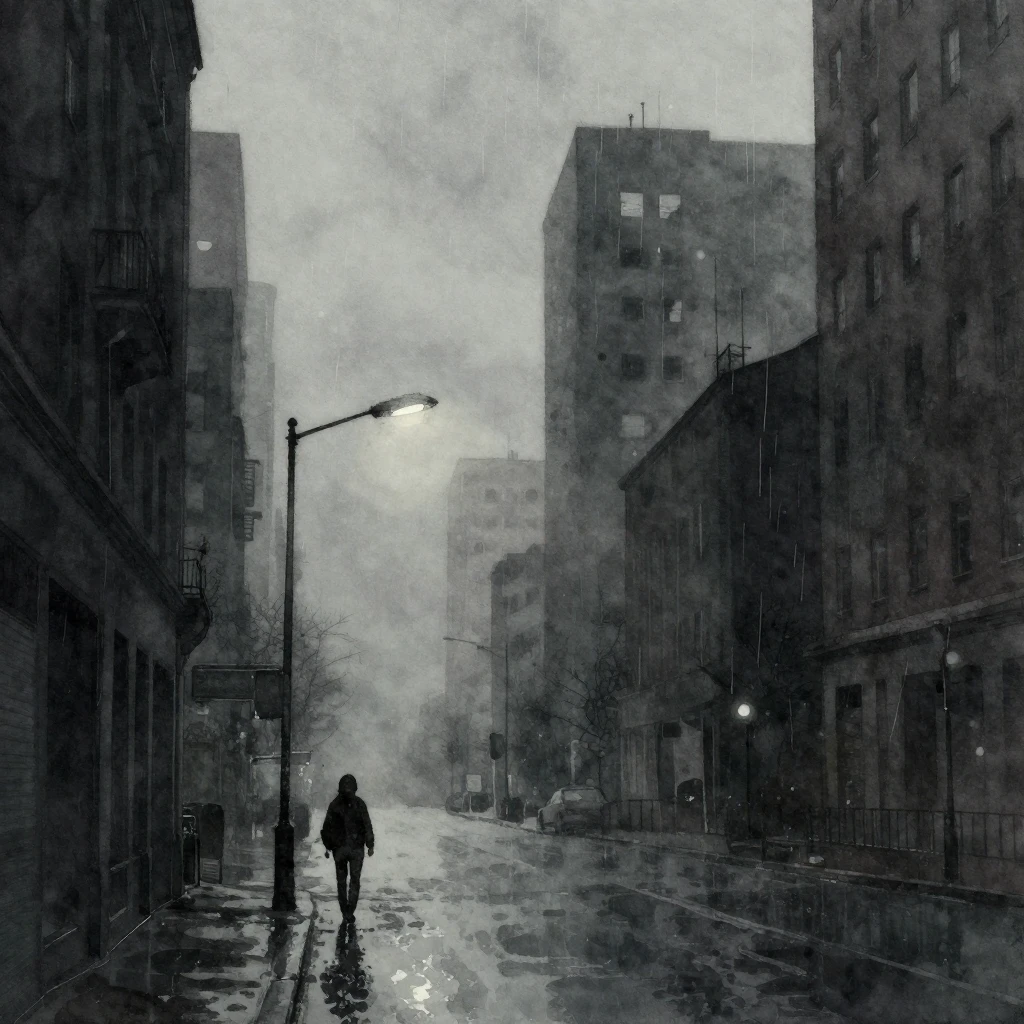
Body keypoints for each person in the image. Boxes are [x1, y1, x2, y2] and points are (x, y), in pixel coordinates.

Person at [320, 774, 374, 922]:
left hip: (340, 849)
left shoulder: (334, 805)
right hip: (356, 848)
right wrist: (370, 845)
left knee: (341, 881)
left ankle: (345, 910)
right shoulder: (360, 804)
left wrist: (328, 846)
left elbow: (327, 828)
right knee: (355, 880)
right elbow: (367, 825)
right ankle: (350, 910)